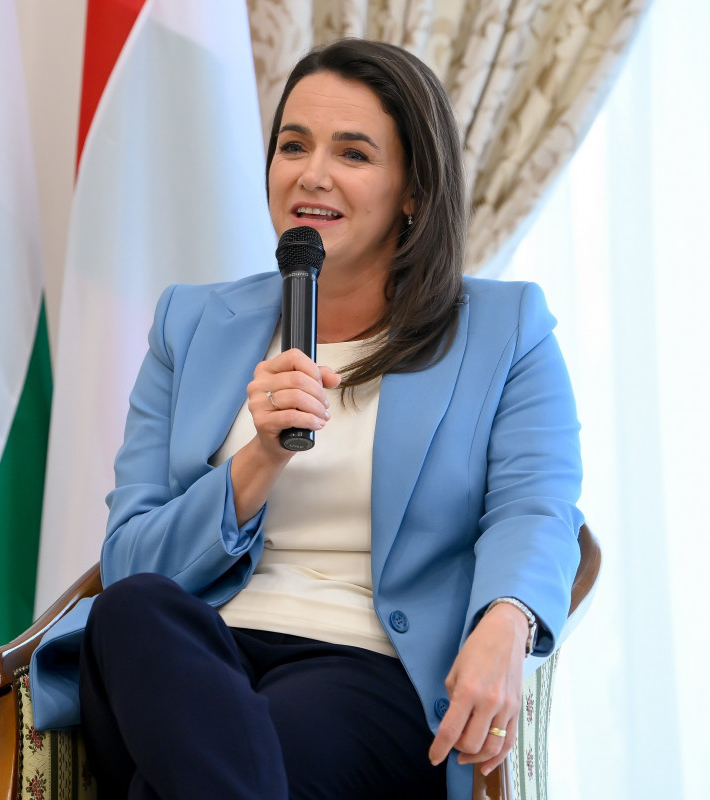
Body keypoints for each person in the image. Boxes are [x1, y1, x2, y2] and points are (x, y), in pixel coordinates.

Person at [30, 38, 583, 800]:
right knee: (131, 611)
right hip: (188, 661)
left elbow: (537, 509)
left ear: (413, 191)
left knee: (230, 758)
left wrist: (508, 619)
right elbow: (131, 559)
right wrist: (258, 459)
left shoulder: (504, 329)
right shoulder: (192, 324)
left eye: (353, 153)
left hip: (365, 669)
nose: (311, 174)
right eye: (293, 145)